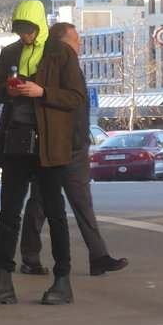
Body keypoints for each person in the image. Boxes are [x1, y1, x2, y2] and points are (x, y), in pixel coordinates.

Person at [0, 0, 85, 307]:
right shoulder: (10, 53)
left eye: (29, 31)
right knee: (8, 213)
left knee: (55, 213)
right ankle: (3, 282)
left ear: (40, 26)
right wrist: (8, 90)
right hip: (17, 143)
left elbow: (76, 97)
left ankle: (62, 281)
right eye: (20, 31)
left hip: (50, 146)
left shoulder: (60, 54)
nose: (25, 36)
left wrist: (43, 92)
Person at [18, 22, 129, 278]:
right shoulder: (47, 66)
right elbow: (65, 100)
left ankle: (99, 257)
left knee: (83, 204)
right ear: (62, 42)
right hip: (53, 148)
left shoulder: (72, 67)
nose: (80, 43)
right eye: (76, 38)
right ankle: (30, 257)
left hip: (77, 148)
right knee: (40, 203)